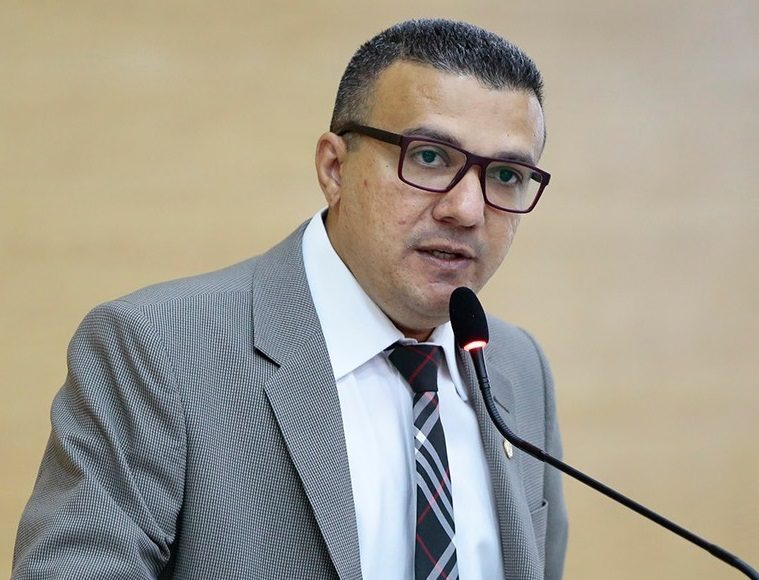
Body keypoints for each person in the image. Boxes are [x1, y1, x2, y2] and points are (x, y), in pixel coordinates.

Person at [12, 18, 567, 580]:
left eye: (506, 174)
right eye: (429, 157)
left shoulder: (518, 367)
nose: (467, 209)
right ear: (334, 168)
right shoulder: (155, 349)